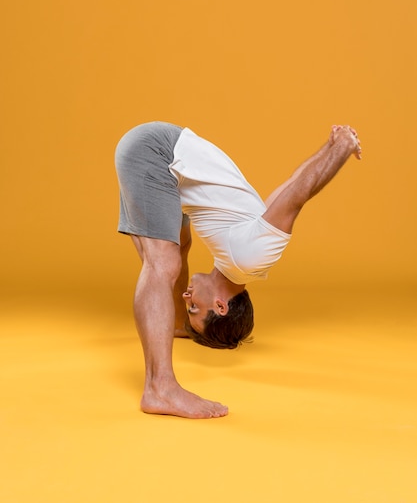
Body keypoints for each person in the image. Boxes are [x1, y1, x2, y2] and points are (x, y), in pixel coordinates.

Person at [115, 122, 362, 419]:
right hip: (158, 153)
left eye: (187, 308)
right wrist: (341, 149)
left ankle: (178, 325)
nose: (186, 296)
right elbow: (299, 192)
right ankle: (160, 388)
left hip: (162, 161)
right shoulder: (249, 257)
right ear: (220, 306)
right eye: (193, 308)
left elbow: (290, 183)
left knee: (178, 246)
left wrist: (328, 145)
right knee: (163, 263)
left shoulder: (238, 257)